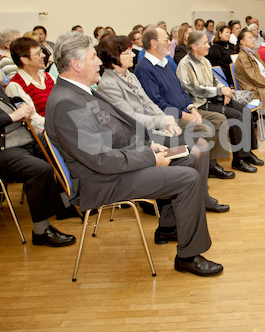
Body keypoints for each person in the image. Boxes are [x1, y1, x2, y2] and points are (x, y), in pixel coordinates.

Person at [46, 31, 223, 276]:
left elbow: (116, 131)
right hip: (103, 180)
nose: (99, 61)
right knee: (188, 178)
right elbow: (100, 159)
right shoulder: (68, 102)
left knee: (187, 157)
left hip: (118, 164)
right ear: (76, 64)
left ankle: (169, 227)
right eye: (93, 57)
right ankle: (188, 255)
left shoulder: (80, 92)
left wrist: (150, 145)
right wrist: (151, 158)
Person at [95, 35, 229, 215]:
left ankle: (199, 197)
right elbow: (130, 118)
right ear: (114, 57)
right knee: (195, 150)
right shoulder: (109, 84)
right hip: (140, 139)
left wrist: (168, 121)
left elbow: (149, 104)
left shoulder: (129, 76)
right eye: (127, 53)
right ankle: (178, 204)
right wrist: (162, 121)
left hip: (153, 130)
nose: (133, 55)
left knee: (202, 146)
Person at [0, 67, 76, 247]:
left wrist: (20, 106)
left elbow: (9, 102)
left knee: (60, 148)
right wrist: (11, 116)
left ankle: (66, 205)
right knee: (39, 170)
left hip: (24, 138)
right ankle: (41, 230)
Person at [134, 25, 234, 179]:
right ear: (154, 43)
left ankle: (211, 165)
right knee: (206, 128)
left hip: (185, 110)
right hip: (170, 118)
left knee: (220, 120)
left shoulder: (165, 62)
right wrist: (185, 115)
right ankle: (200, 165)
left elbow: (181, 90)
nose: (169, 43)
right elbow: (156, 103)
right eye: (166, 40)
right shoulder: (145, 69)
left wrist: (191, 108)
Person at [177, 31, 263, 172]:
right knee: (235, 116)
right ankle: (238, 159)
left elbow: (215, 81)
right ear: (193, 46)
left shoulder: (204, 60)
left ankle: (246, 153)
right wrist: (219, 91)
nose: (208, 45)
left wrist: (225, 90)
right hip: (200, 104)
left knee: (245, 111)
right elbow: (194, 90)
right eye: (204, 43)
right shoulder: (185, 64)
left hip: (214, 98)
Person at [5, 37, 55, 133]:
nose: (43, 55)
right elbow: (33, 120)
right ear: (24, 60)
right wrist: (59, 126)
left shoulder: (48, 77)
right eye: (38, 54)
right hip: (46, 134)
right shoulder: (15, 85)